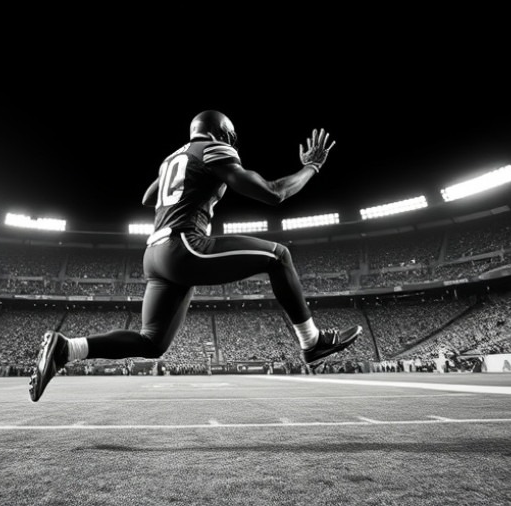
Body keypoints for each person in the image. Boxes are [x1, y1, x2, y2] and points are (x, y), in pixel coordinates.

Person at [29, 110, 362, 402]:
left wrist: (185, 181)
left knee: (152, 342)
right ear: (220, 133)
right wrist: (312, 168)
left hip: (155, 254)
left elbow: (149, 197)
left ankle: (65, 348)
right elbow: (274, 193)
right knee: (278, 256)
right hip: (183, 246)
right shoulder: (213, 148)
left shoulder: (173, 158)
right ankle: (312, 341)